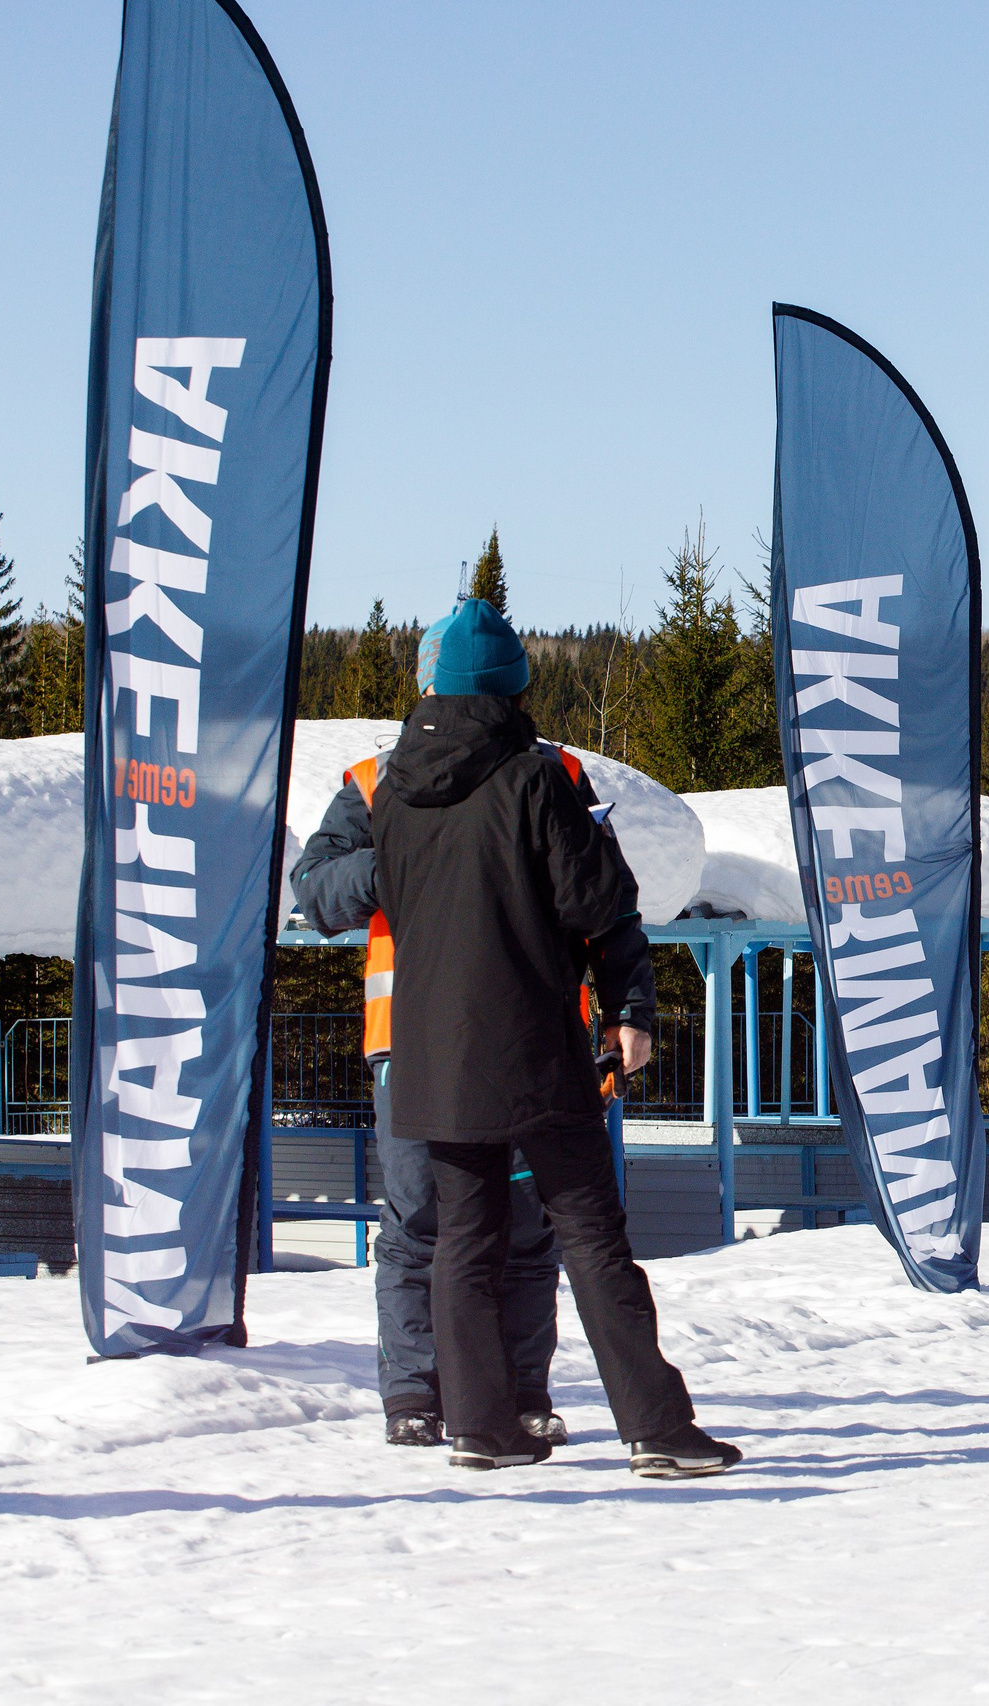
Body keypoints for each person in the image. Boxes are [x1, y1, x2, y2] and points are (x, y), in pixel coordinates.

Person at [369, 598, 737, 1476]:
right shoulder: (537, 781)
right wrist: (626, 1007)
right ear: (513, 686)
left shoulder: (389, 789)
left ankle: (479, 1425)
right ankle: (654, 1426)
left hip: (433, 1054)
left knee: (464, 1238)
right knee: (590, 1234)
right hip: (532, 1048)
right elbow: (592, 902)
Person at [291, 606, 571, 1450]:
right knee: (418, 1221)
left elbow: (590, 899)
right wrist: (410, 857)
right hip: (412, 1039)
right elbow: (315, 889)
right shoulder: (376, 783)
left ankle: (521, 1394)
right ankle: (414, 1396)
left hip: (527, 1036)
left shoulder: (551, 773)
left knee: (524, 1226)